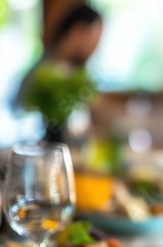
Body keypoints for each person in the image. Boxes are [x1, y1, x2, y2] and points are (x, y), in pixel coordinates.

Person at [14, 3, 103, 142]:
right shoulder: (42, 71)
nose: (95, 47)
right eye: (94, 37)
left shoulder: (79, 75)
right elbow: (18, 112)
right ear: (77, 30)